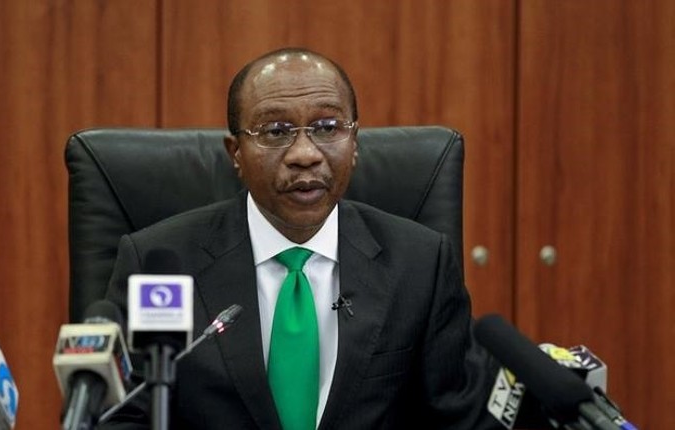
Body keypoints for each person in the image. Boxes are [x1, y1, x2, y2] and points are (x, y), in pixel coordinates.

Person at [102, 47, 501, 429]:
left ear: (355, 142)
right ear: (235, 153)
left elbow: (458, 417)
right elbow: (122, 417)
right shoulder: (159, 263)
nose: (305, 154)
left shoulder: (420, 263)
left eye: (327, 127)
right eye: (276, 131)